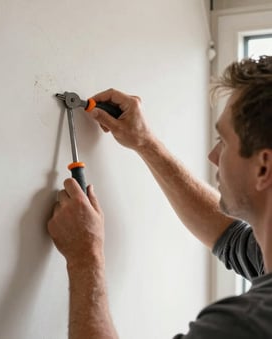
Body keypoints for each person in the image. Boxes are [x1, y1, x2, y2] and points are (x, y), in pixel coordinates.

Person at [47, 55, 272, 338]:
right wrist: (146, 143)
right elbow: (228, 236)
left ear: (263, 167)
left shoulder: (245, 326)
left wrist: (84, 258)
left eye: (223, 141)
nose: (213, 156)